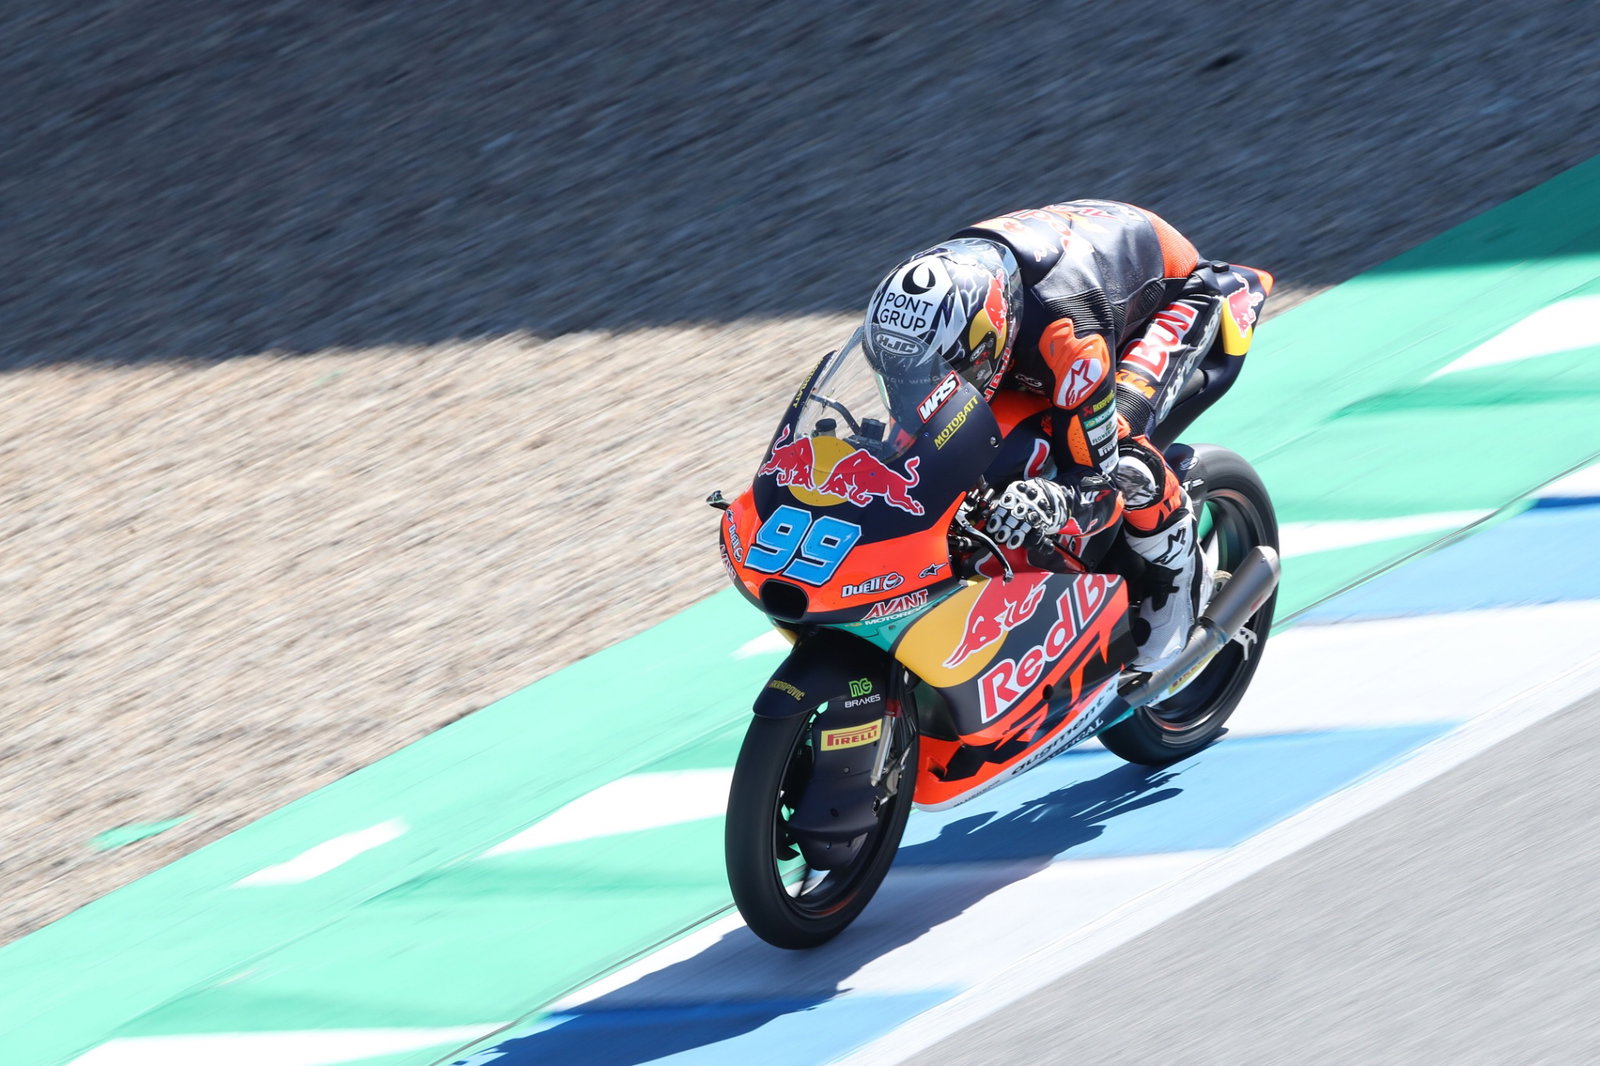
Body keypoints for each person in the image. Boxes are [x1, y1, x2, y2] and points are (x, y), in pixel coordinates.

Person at [859, 199, 1269, 673]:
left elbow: (1096, 489)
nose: (912, 390)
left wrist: (1050, 502)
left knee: (1116, 442)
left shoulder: (1071, 340)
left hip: (1171, 297)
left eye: (934, 374)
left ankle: (1177, 575)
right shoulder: (939, 300)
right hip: (1069, 273)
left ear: (987, 342)